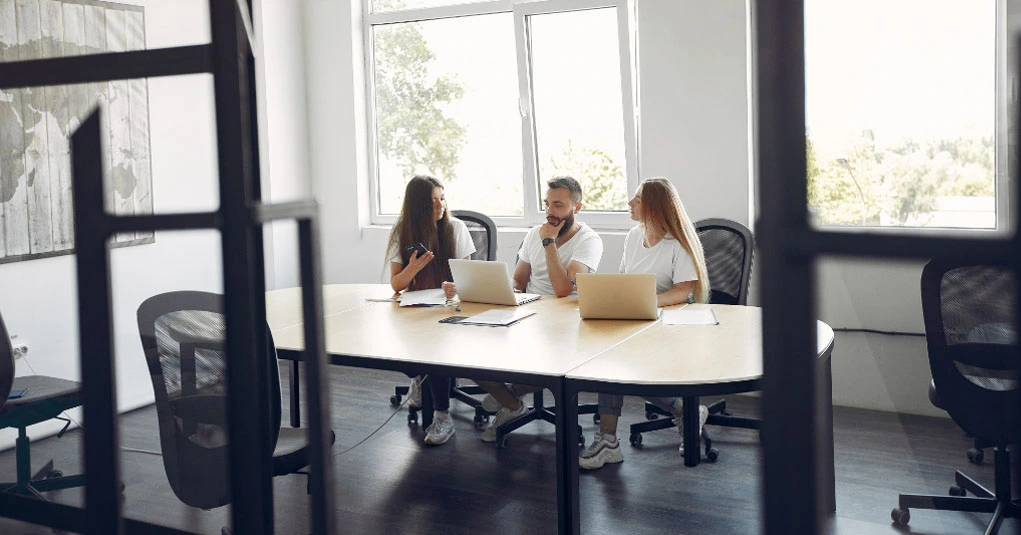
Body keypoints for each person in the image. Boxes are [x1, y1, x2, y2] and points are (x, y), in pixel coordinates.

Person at [578, 177, 711, 469]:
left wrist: (647, 303)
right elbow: (626, 278)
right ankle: (613, 439)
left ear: (655, 206)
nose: (630, 203)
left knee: (622, 364)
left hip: (674, 319)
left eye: (637, 199)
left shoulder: (678, 243)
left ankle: (614, 437)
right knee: (607, 359)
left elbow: (682, 292)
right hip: (640, 314)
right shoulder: (633, 237)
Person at [469, 176, 604, 442]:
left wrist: (549, 243)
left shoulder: (589, 240)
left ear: (576, 208)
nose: (550, 213)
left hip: (565, 320)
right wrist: (507, 289)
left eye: (558, 205)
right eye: (547, 205)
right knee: (472, 352)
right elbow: (519, 279)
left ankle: (507, 397)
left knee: (548, 364)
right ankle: (512, 404)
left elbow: (563, 288)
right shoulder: (534, 233)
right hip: (529, 311)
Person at [386, 175, 476, 446]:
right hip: (415, 305)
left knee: (435, 349)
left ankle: (442, 416)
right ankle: (418, 378)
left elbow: (468, 278)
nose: (440, 206)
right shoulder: (403, 231)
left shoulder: (456, 228)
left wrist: (454, 287)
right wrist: (413, 267)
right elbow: (396, 285)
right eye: (432, 201)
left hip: (449, 306)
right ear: (416, 207)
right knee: (393, 339)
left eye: (442, 198)